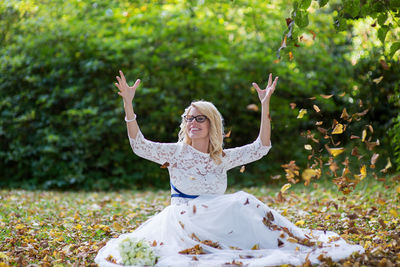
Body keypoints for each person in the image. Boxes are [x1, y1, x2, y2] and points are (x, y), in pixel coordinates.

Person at [95, 71, 364, 266]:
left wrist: (265, 105)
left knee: (243, 204)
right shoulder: (176, 152)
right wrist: (128, 103)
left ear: (212, 124)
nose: (193, 123)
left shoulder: (220, 157)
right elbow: (139, 145)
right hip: (186, 219)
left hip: (219, 220)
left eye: (200, 118)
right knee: (240, 202)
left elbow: (261, 147)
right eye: (189, 118)